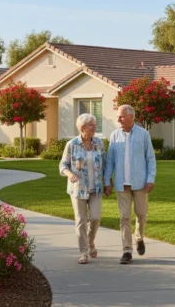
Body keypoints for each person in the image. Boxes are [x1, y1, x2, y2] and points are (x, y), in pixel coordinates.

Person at [104, 104, 156, 265]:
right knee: (124, 217)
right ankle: (127, 250)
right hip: (121, 184)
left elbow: (150, 158)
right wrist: (107, 181)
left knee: (141, 214)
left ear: (132, 117)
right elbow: (110, 160)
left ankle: (139, 237)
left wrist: (150, 179)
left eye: (122, 116)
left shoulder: (143, 134)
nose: (118, 119)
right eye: (118, 116)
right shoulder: (114, 136)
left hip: (140, 183)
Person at [59, 113, 106, 264]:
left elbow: (104, 165)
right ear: (82, 127)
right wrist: (69, 174)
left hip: (96, 188)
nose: (95, 127)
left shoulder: (99, 143)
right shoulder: (72, 144)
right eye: (92, 124)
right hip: (78, 189)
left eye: (94, 124)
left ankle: (90, 242)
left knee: (95, 218)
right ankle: (84, 252)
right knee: (81, 221)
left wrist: (108, 183)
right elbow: (62, 165)